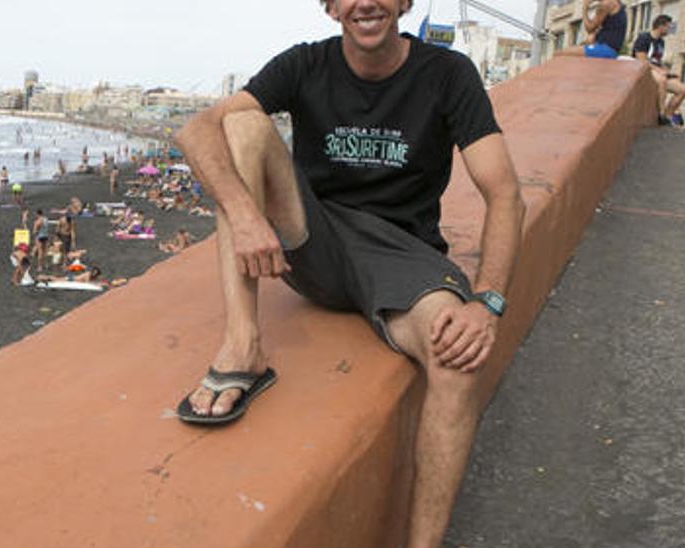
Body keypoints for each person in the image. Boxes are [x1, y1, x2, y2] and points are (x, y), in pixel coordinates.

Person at [172, 0, 524, 544]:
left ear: (405, 2)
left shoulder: (446, 73)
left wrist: (489, 301)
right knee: (242, 122)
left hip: (401, 256)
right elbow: (197, 130)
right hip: (317, 240)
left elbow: (503, 193)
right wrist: (245, 216)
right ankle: (242, 345)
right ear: (330, 6)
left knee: (456, 361)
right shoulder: (305, 64)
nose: (366, 3)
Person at [633, 15, 685, 126]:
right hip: (644, 70)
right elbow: (641, 60)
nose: (669, 30)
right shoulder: (644, 38)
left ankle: (667, 115)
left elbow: (657, 60)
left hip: (656, 70)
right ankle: (661, 114)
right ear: (661, 26)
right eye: (668, 27)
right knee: (662, 80)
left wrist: (667, 71)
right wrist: (659, 71)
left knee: (682, 89)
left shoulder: (661, 42)